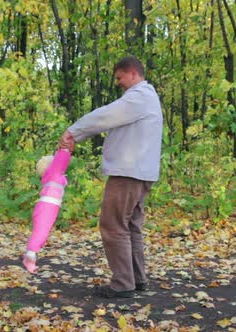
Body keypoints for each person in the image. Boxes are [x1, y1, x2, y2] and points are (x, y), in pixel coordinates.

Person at [59, 56, 163, 298]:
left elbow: (105, 116)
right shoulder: (147, 98)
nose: (118, 83)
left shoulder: (139, 97)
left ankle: (122, 283)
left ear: (132, 73)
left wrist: (73, 132)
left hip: (127, 173)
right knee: (130, 226)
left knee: (113, 225)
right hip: (140, 172)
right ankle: (137, 279)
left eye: (119, 77)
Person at [23, 148, 72, 273]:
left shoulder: (55, 175)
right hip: (46, 208)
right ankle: (30, 256)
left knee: (43, 234)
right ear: (51, 167)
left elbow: (62, 164)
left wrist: (67, 151)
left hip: (50, 208)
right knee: (40, 233)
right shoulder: (52, 173)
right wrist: (65, 149)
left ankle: (32, 253)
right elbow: (60, 161)